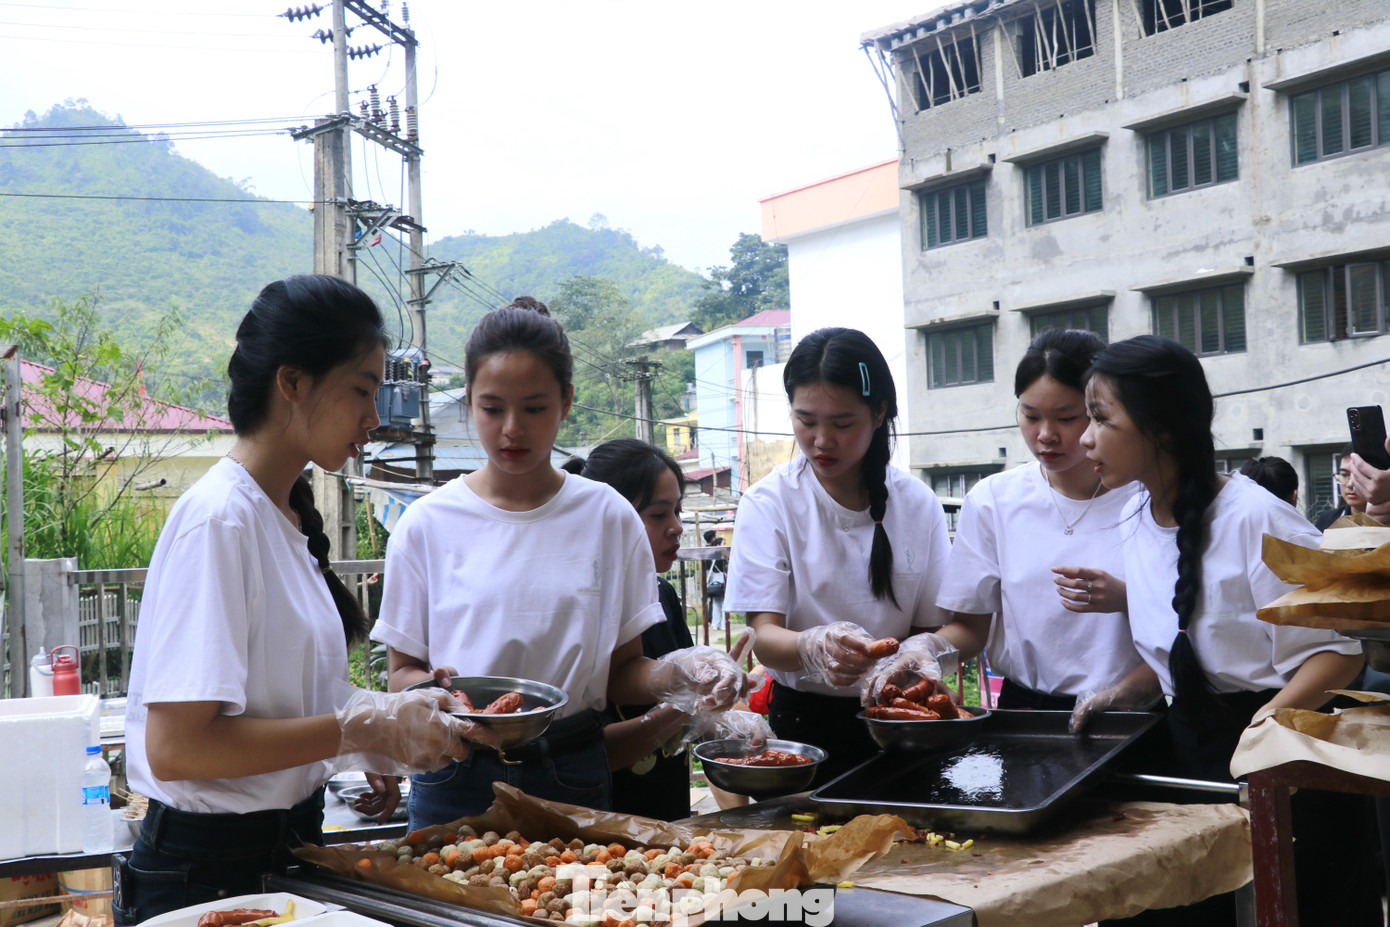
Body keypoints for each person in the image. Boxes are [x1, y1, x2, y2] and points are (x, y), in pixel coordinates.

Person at [117, 275, 483, 925]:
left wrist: (389, 717)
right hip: (208, 866)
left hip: (282, 844)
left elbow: (292, 698)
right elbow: (180, 746)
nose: (374, 418)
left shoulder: (279, 519)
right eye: (362, 390)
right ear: (293, 382)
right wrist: (359, 729)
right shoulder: (220, 519)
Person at [372, 299, 747, 829]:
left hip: (572, 770)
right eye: (492, 407)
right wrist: (427, 688)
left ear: (566, 402)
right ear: (469, 403)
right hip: (454, 771)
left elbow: (622, 674)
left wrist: (680, 673)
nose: (511, 429)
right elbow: (400, 673)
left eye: (534, 407)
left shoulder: (607, 516)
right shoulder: (427, 523)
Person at [1071, 335, 1375, 926]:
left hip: (1286, 761)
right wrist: (1121, 694)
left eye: (1100, 418)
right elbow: (1182, 654)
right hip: (1196, 763)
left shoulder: (1259, 520)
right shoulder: (1135, 519)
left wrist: (1263, 730)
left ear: (1160, 428)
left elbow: (1338, 654)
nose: (1085, 438)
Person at [723, 327, 952, 785]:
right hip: (804, 724)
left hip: (899, 715)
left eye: (843, 423)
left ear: (879, 411)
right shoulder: (770, 503)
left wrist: (913, 655)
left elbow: (933, 627)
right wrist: (812, 647)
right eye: (806, 421)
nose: (822, 439)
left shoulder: (917, 503)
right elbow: (764, 636)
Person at [928, 329, 1142, 711]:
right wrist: (924, 650)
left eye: (1067, 417)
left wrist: (1130, 599)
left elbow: (1189, 622)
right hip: (1023, 710)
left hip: (1128, 707)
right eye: (1030, 416)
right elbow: (971, 629)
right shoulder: (995, 500)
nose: (1046, 435)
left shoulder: (1144, 497)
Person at [577, 438, 701, 821]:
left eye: (677, 511)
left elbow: (692, 699)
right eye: (659, 515)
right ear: (611, 518)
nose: (676, 528)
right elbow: (592, 752)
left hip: (669, 816)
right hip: (610, 826)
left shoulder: (663, 595)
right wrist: (686, 703)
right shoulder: (582, 609)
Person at [1315, 444, 1369, 529]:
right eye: (1344, 475)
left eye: (1359, 475)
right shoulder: (1328, 521)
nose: (1350, 484)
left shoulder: (1385, 523)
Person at [703, 529, 728, 630]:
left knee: (716, 603)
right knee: (722, 603)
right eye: (724, 543)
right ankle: (723, 624)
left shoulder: (707, 551)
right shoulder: (720, 555)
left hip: (713, 579)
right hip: (720, 577)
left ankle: (715, 623)